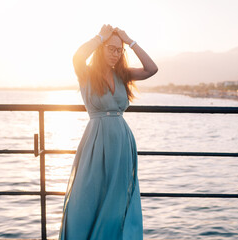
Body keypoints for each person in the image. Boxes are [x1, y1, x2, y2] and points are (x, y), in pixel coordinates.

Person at [58, 24, 158, 240]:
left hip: (122, 142)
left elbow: (152, 69)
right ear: (101, 49)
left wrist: (129, 40)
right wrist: (99, 37)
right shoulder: (86, 74)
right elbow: (77, 56)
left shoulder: (123, 75)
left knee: (118, 197)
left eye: (119, 50)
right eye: (111, 48)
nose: (115, 54)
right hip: (95, 140)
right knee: (86, 195)